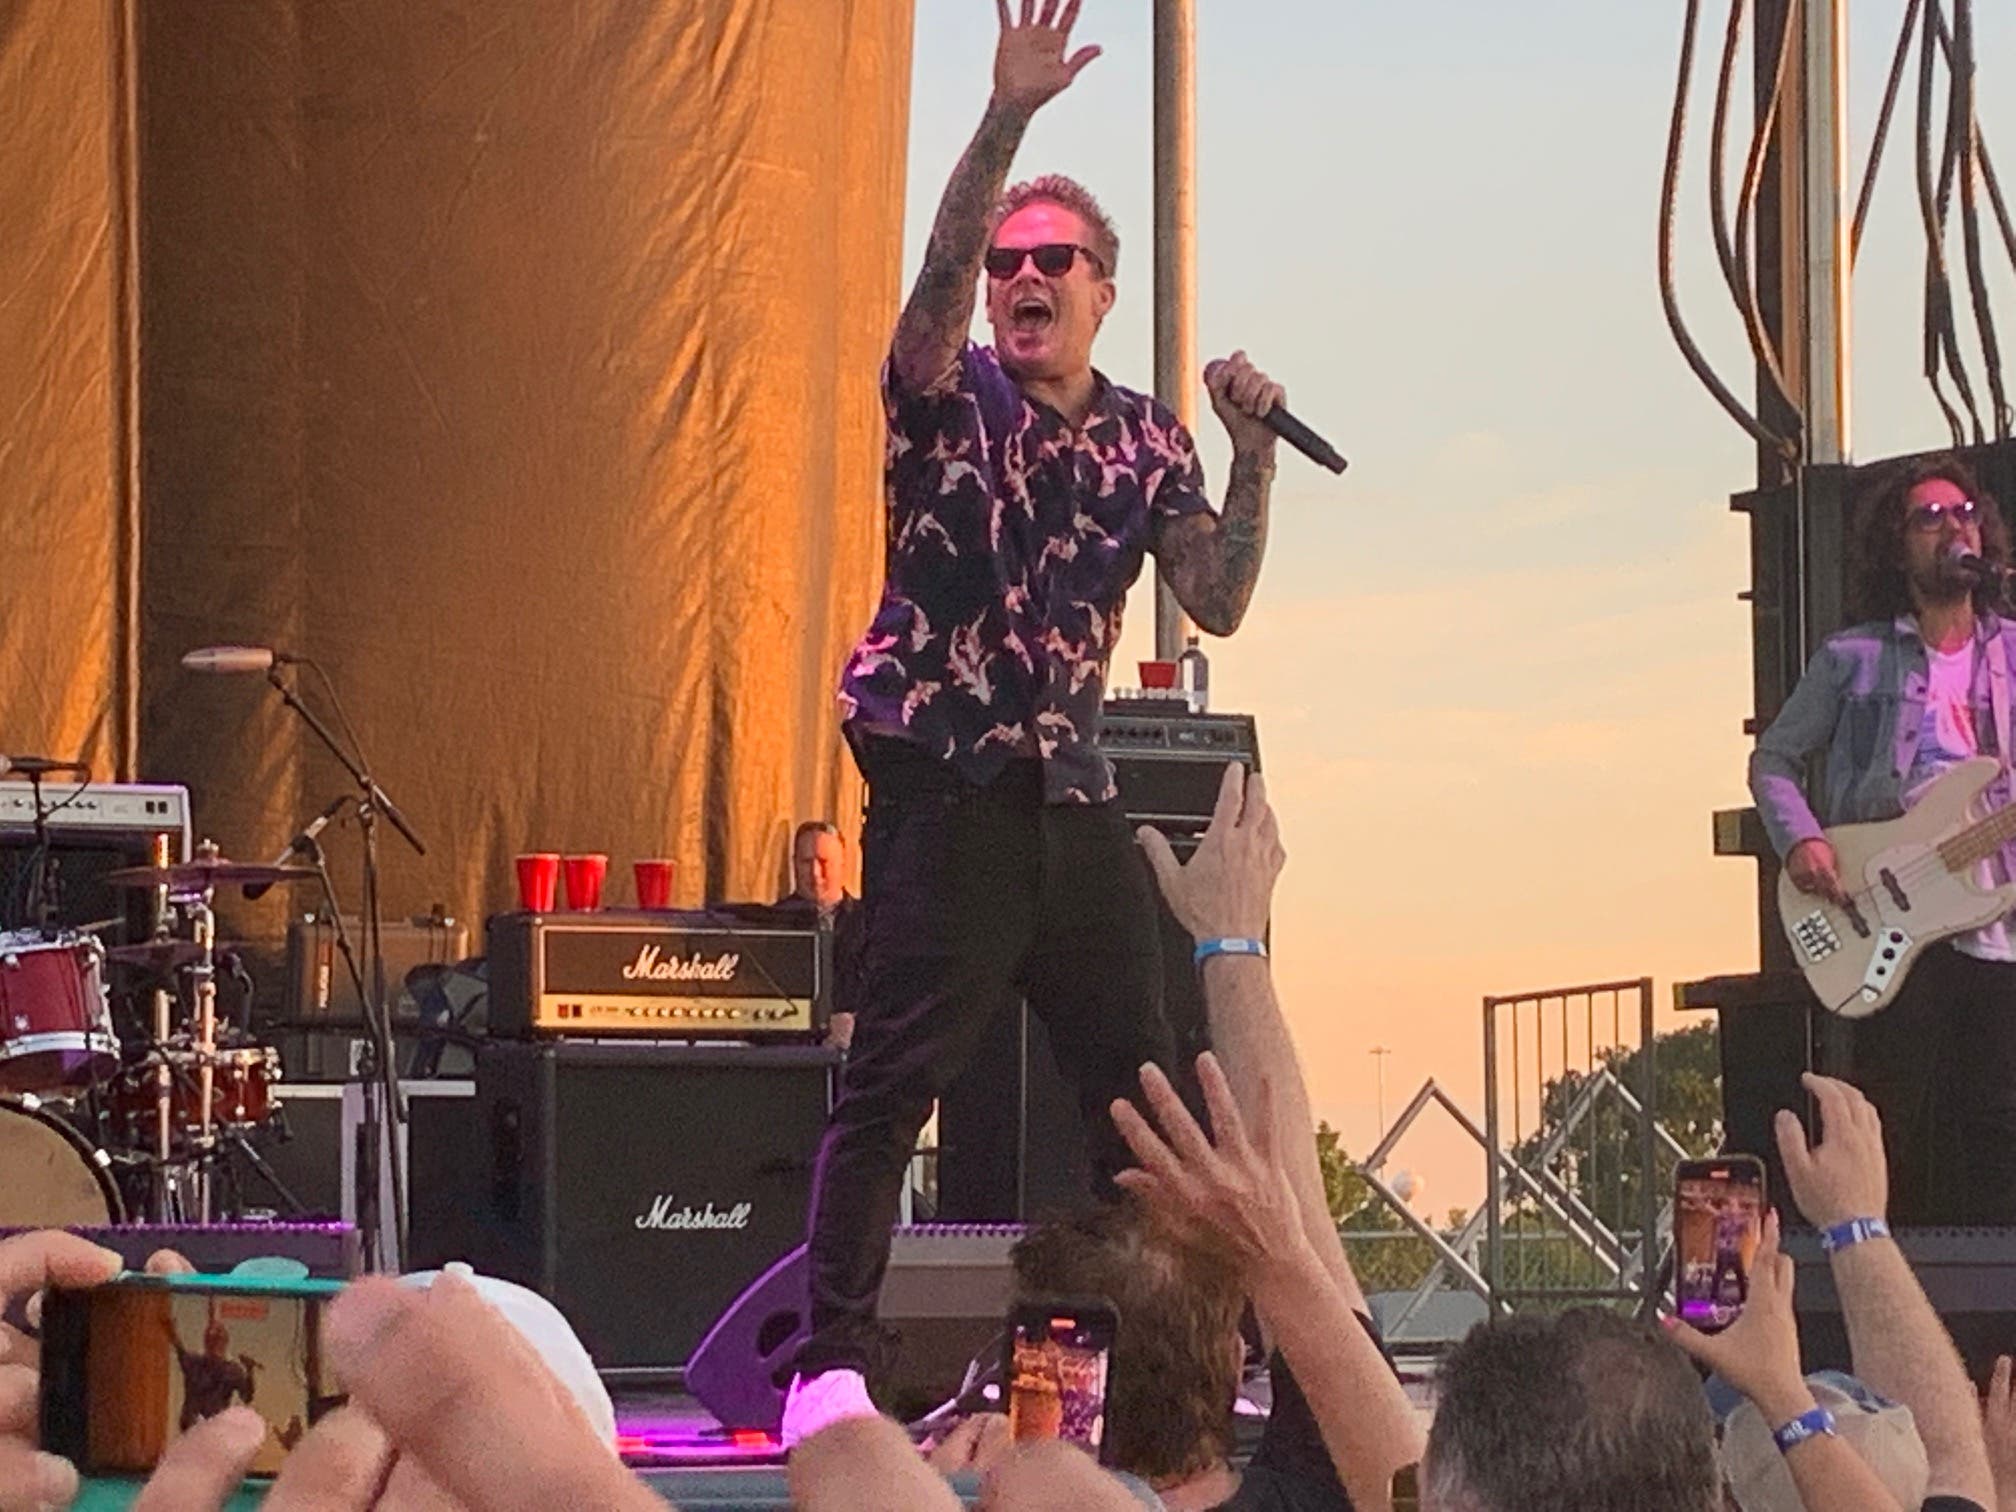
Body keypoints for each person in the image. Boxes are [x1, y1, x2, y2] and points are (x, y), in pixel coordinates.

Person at [790, 0, 1289, 1440]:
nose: (1022, 277)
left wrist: (1253, 458)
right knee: (891, 1088)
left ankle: (1183, 1360)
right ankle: (831, 1366)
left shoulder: (1145, 438)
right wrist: (1006, 114)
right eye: (1011, 260)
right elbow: (938, 279)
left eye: (1051, 259)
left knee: (1144, 1097)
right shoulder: (947, 397)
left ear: (1102, 290)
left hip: (1074, 801)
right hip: (948, 789)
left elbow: (1217, 595)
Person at [1749, 453, 2016, 1224]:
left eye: (1964, 512)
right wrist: (1803, 842)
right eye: (1929, 517)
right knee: (1889, 1119)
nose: (1953, 527)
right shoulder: (1853, 658)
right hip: (1884, 907)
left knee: (1998, 1123)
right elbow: (1773, 759)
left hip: (1994, 917)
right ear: (1895, 547)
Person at [774, 820, 867, 1052]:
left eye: (824, 862)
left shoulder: (869, 922)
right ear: (794, 864)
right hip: (791, 1054)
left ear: (843, 863)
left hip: (857, 1055)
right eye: (806, 862)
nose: (815, 873)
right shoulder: (772, 924)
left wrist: (855, 1023)